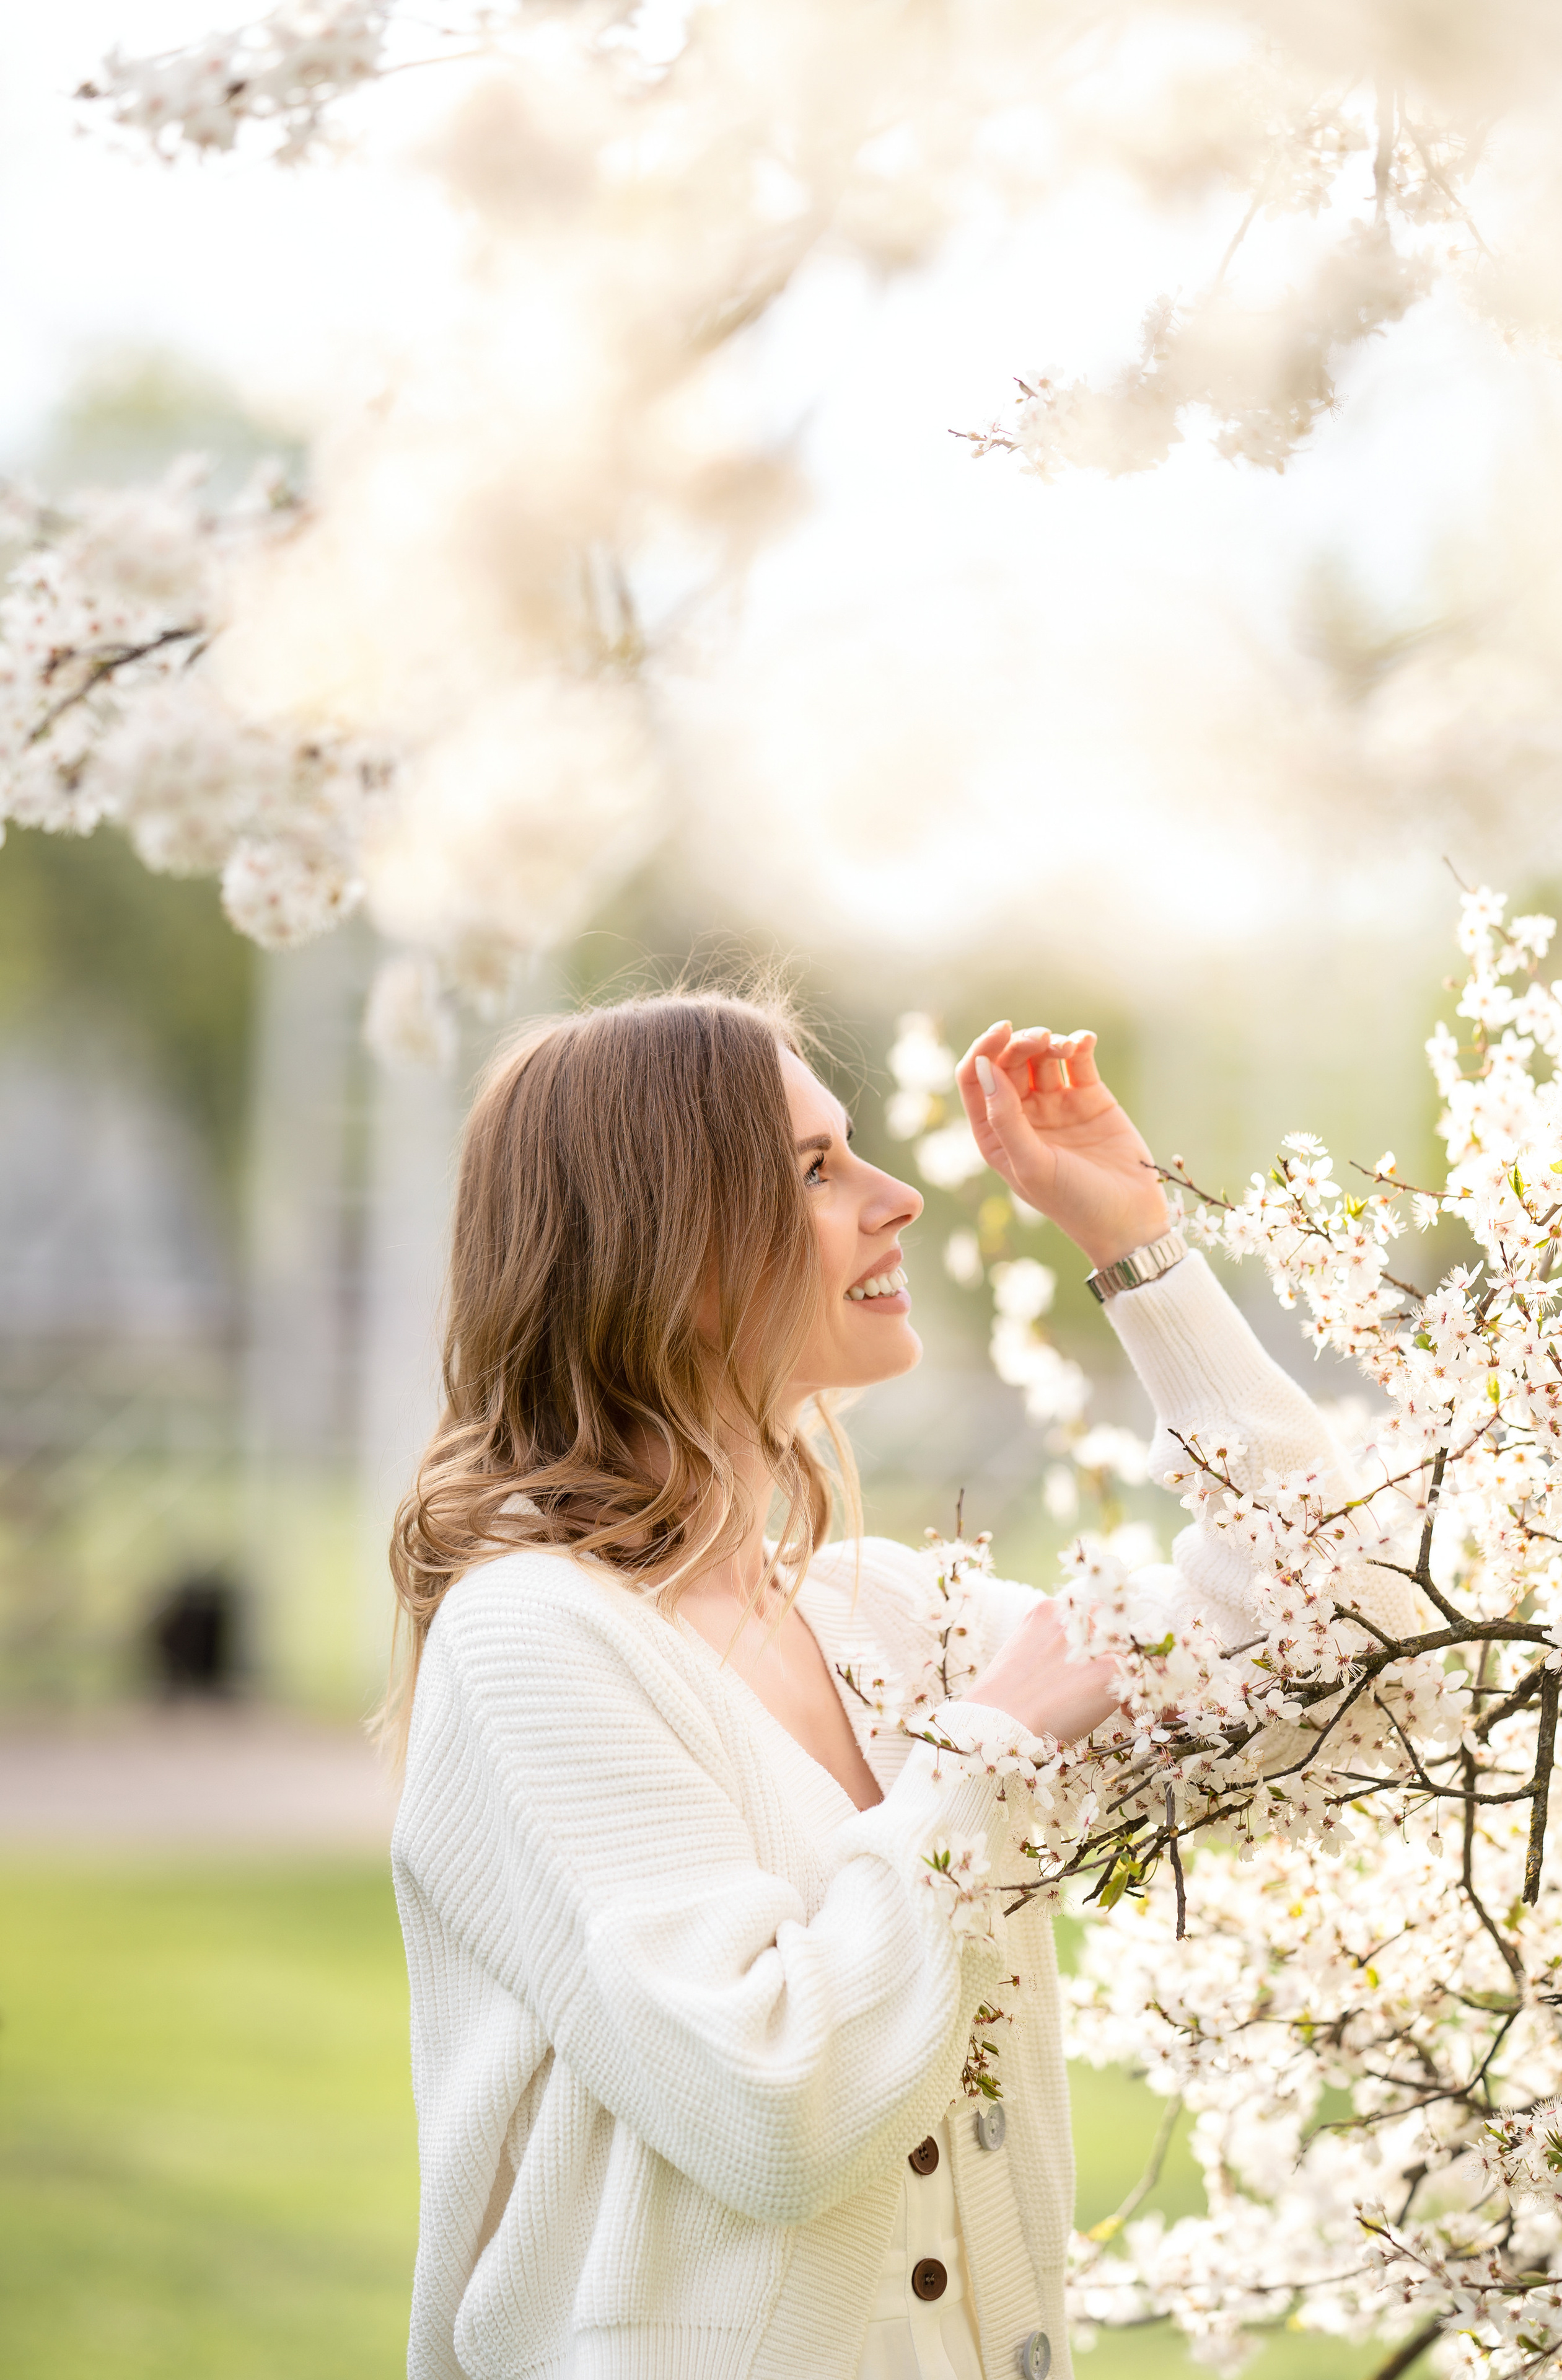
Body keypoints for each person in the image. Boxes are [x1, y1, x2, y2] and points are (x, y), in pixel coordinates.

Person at [388, 991, 1413, 2380]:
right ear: (661, 1243)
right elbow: (772, 2102)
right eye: (814, 1172)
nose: (896, 1201)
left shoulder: (886, 1618)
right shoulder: (531, 1639)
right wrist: (991, 1751)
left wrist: (1134, 1244)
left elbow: (1347, 1650)